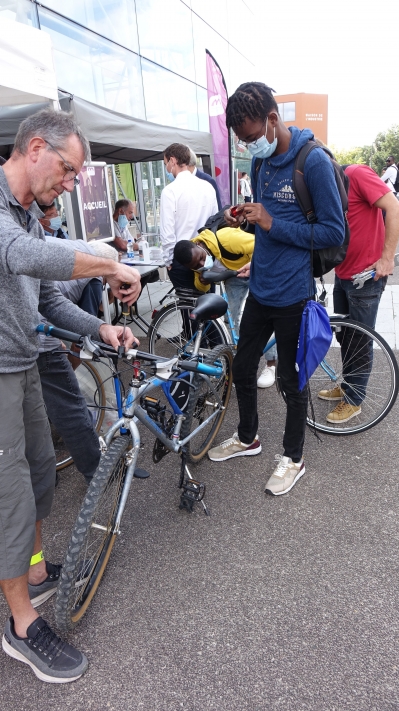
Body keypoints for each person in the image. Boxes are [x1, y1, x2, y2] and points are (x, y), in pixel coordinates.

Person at [0, 107, 141, 683]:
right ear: (36, 147)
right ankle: (20, 624)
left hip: (23, 361)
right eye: (67, 169)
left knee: (39, 475)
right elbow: (22, 257)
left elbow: (45, 300)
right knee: (9, 495)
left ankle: (31, 573)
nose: (70, 182)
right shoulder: (10, 221)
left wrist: (100, 329)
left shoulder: (28, 217)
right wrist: (108, 261)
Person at [207, 82, 345, 496]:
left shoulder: (312, 161)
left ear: (271, 119)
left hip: (294, 294)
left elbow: (333, 231)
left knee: (291, 378)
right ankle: (248, 437)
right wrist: (246, 220)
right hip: (261, 288)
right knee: (243, 365)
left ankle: (294, 458)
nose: (250, 146)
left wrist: (270, 222)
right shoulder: (260, 164)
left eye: (251, 137)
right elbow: (267, 221)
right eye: (242, 140)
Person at [318, 162, 399, 422]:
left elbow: (394, 207)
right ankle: (348, 386)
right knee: (347, 337)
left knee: (361, 339)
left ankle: (355, 399)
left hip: (366, 276)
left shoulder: (356, 174)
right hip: (342, 274)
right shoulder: (329, 187)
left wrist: (387, 257)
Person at [38, 240, 119, 485]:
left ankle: (40, 475)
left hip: (24, 330)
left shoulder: (71, 246)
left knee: (25, 414)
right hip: (34, 334)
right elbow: (81, 339)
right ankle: (97, 475)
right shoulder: (94, 277)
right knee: (70, 407)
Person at [161, 143, 218, 292]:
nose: (167, 168)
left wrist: (168, 260)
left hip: (182, 259)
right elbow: (215, 224)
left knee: (188, 309)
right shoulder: (207, 186)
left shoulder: (170, 191)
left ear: (173, 161)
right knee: (208, 306)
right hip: (205, 255)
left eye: (166, 163)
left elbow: (167, 232)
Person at [173, 223, 254, 328]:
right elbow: (202, 287)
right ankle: (235, 343)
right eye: (197, 265)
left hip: (255, 267)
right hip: (236, 276)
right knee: (230, 318)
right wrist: (204, 281)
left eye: (202, 257)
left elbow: (261, 245)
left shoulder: (227, 239)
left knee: (265, 312)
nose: (202, 264)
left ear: (199, 244)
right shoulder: (195, 264)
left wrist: (255, 266)